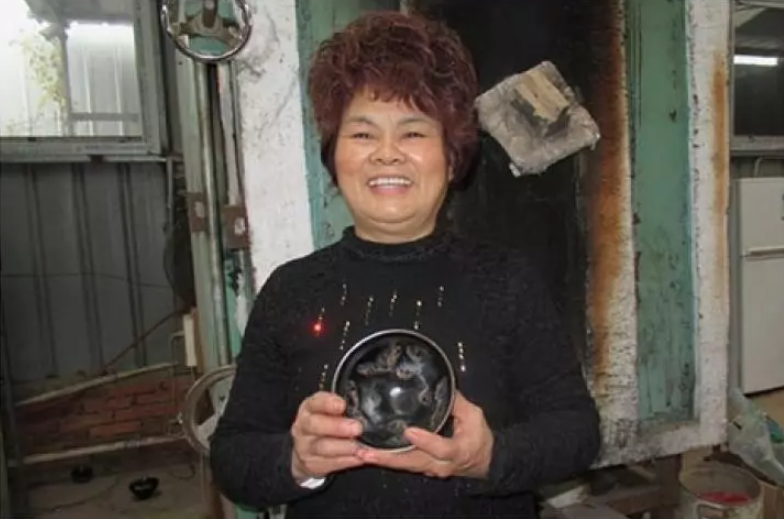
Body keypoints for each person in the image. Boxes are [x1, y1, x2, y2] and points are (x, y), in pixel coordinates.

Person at [210, 10, 600, 518]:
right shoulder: (292, 290)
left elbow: (578, 432)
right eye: (363, 134)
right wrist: (295, 460)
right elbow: (232, 457)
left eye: (413, 133)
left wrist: (490, 457)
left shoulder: (507, 282)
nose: (387, 154)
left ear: (452, 158)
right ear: (334, 159)